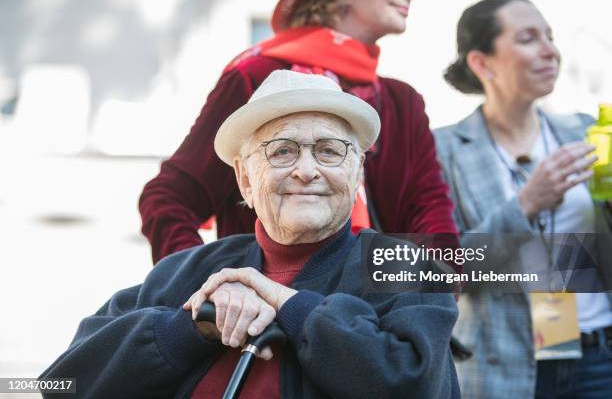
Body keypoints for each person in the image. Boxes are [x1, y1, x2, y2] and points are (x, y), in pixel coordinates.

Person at [41, 71, 460, 398]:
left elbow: (413, 384)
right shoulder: (184, 274)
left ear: (356, 175)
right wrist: (195, 325)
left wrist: (291, 306)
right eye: (282, 151)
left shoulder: (406, 268)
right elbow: (62, 384)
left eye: (329, 150)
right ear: (244, 179)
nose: (307, 170)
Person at [138, 0, 459, 264]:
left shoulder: (402, 100)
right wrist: (209, 285)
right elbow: (169, 198)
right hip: (265, 324)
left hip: (376, 323)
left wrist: (428, 296)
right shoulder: (257, 75)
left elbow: (430, 209)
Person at [434, 0, 612, 399]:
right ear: (483, 63)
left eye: (550, 37)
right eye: (529, 39)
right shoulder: (443, 149)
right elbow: (442, 271)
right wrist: (526, 204)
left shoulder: (586, 132)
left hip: (597, 357)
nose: (551, 50)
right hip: (502, 370)